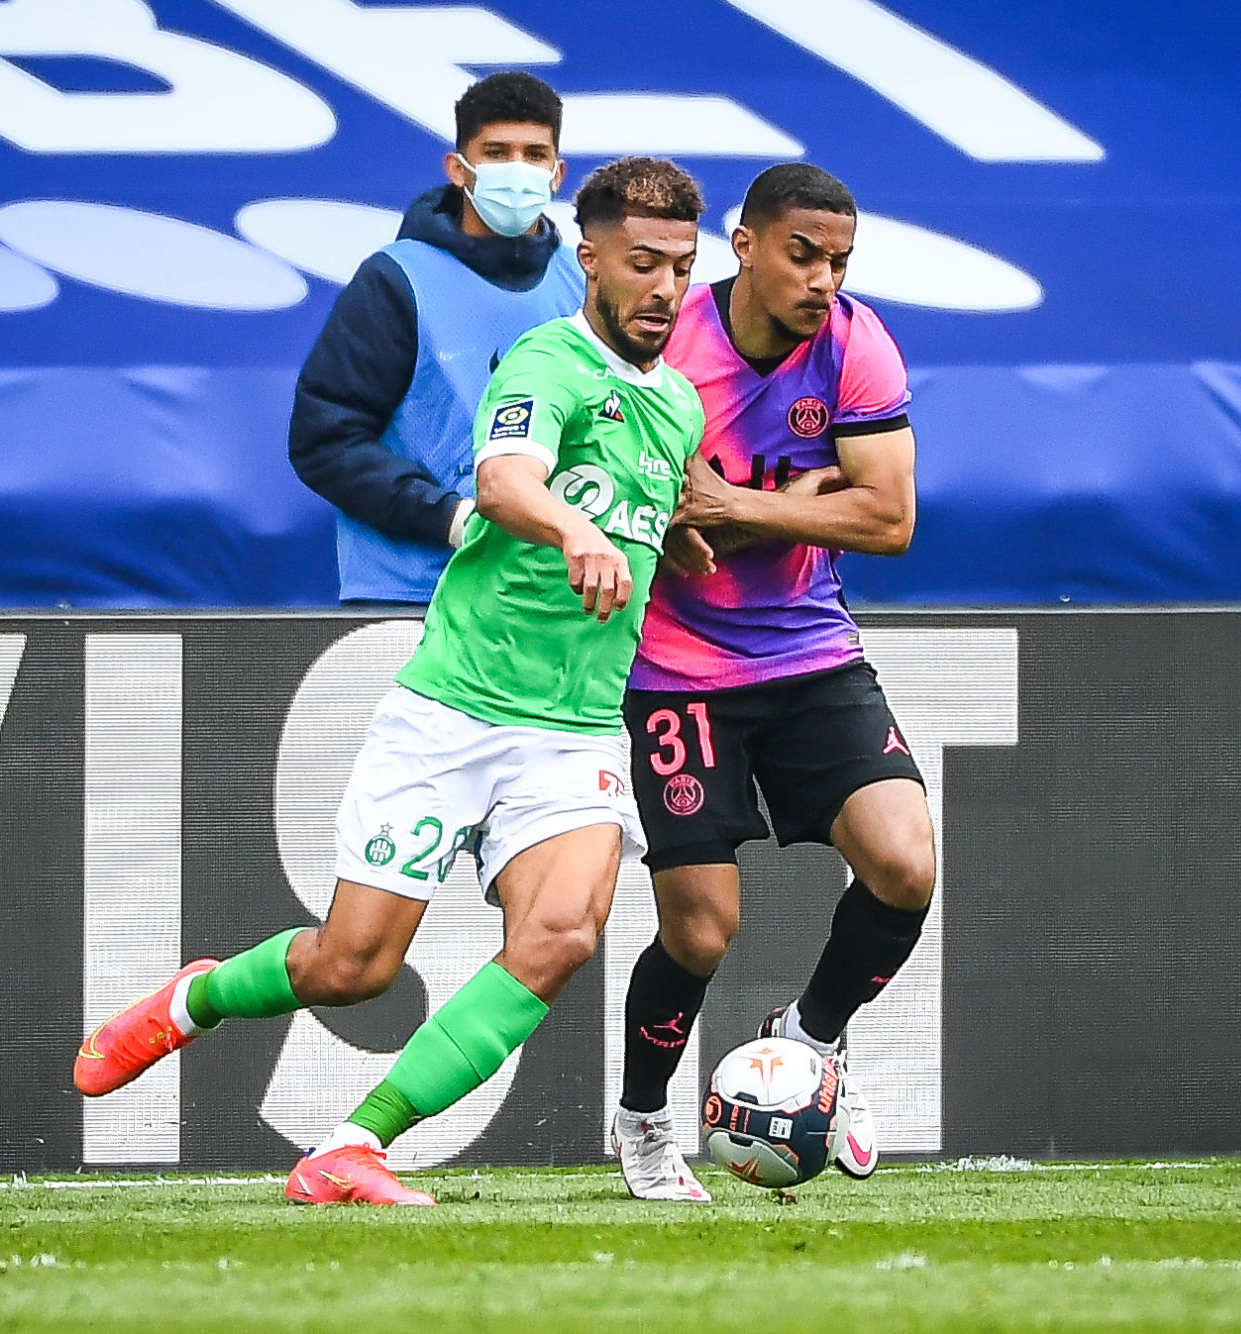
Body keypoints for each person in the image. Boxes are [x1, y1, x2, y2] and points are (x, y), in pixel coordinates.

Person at [77, 157, 709, 1206]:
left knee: (559, 935)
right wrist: (575, 526)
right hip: (454, 710)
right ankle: (200, 995)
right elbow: (506, 481)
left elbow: (663, 502)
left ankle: (353, 1144)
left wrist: (668, 540)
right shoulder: (545, 363)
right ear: (587, 257)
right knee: (352, 964)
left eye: (680, 269)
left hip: (576, 729)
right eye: (642, 264)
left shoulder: (678, 401)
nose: (663, 289)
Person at [609, 163, 936, 1202]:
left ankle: (810, 1040)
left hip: (809, 656)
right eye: (802, 254)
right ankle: (642, 1117)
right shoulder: (665, 346)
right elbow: (597, 485)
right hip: (676, 675)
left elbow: (887, 519)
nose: (822, 280)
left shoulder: (856, 344)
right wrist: (662, 523)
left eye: (838, 260)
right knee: (701, 928)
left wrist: (745, 510)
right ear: (742, 248)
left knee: (904, 863)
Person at [288, 71, 585, 606]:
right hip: (413, 594)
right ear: (459, 169)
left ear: (557, 173)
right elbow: (325, 440)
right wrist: (449, 517)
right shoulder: (395, 281)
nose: (517, 170)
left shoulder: (583, 282)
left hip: (549, 597)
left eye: (534, 154)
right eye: (496, 152)